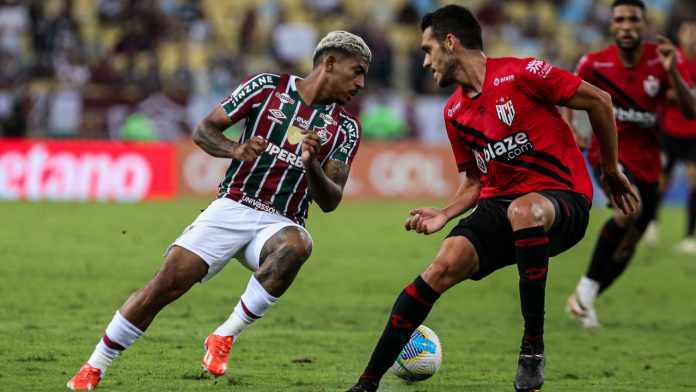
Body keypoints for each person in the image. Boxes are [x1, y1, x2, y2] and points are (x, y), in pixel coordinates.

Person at [345, 5, 637, 392]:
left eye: (428, 49)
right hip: (501, 207)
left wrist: (611, 170)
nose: (425, 60)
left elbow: (599, 100)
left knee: (525, 209)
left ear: (451, 43)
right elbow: (473, 181)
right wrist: (444, 214)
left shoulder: (523, 73)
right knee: (441, 267)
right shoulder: (454, 112)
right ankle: (366, 384)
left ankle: (532, 347)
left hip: (561, 199)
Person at [66, 30, 371, 390]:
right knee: (164, 285)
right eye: (357, 71)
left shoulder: (346, 128)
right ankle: (93, 367)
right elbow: (205, 129)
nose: (361, 83)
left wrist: (311, 164)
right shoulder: (267, 88)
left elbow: (331, 199)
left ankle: (224, 335)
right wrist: (234, 150)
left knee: (299, 246)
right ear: (330, 63)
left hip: (280, 224)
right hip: (233, 207)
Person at [566, 0, 696, 329]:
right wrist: (570, 126)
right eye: (620, 20)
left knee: (628, 246)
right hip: (608, 156)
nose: (626, 26)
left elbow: (690, 109)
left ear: (644, 24)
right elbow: (563, 91)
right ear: (612, 26)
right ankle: (584, 292)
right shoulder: (595, 63)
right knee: (629, 209)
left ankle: (586, 296)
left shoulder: (662, 59)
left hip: (649, 163)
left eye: (633, 20)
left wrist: (672, 73)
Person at [648, 20, 696, 255]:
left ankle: (689, 237)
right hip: (668, 131)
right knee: (662, 182)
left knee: (694, 181)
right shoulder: (671, 59)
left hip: (693, 135)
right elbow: (657, 90)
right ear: (680, 33)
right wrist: (682, 95)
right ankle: (653, 224)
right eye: (688, 30)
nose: (692, 36)